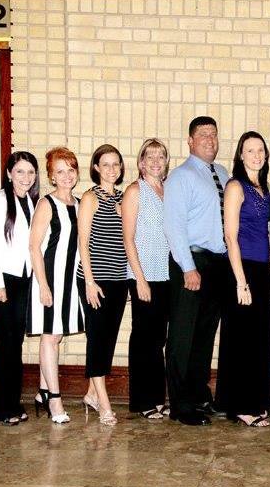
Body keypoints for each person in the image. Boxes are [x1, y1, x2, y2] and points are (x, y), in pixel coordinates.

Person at [164, 116, 231, 426]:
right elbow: (174, 226)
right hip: (190, 262)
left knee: (204, 336)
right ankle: (180, 405)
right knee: (183, 336)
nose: (209, 139)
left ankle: (198, 395)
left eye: (213, 134)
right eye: (203, 134)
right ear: (190, 141)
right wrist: (188, 268)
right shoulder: (180, 177)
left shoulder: (223, 173)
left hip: (217, 264)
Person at [216, 131, 270, 427]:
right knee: (241, 339)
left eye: (260, 150)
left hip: (261, 270)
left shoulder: (263, 187)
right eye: (250, 150)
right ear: (241, 155)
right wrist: (241, 281)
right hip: (241, 270)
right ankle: (240, 406)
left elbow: (265, 231)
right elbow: (230, 235)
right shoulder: (235, 186)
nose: (256, 155)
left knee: (259, 338)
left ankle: (258, 400)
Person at [27, 147, 86, 424]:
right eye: (59, 171)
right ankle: (55, 399)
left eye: (70, 170)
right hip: (50, 278)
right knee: (50, 336)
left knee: (56, 335)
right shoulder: (46, 204)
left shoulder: (80, 204)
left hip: (71, 280)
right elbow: (34, 247)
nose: (66, 176)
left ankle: (42, 391)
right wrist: (43, 285)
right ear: (51, 176)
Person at [0, 151, 39, 425]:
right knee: (7, 343)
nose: (26, 177)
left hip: (23, 280)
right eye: (20, 171)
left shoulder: (32, 201)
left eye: (30, 172)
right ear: (8, 174)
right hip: (2, 280)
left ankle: (13, 402)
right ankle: (3, 408)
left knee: (16, 342)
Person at [76, 144, 129, 426]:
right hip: (94, 279)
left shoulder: (123, 197)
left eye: (116, 164)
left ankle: (91, 394)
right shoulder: (90, 197)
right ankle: (104, 405)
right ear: (96, 167)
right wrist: (89, 281)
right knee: (97, 339)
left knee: (107, 340)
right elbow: (82, 243)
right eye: (105, 164)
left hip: (119, 280)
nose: (111, 169)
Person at [122, 138, 171, 420]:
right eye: (149, 157)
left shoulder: (167, 190)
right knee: (144, 338)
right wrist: (139, 279)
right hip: (144, 275)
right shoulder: (134, 191)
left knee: (159, 338)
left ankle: (157, 397)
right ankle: (143, 401)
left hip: (166, 275)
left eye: (160, 156)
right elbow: (128, 239)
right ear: (141, 163)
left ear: (166, 162)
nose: (155, 161)